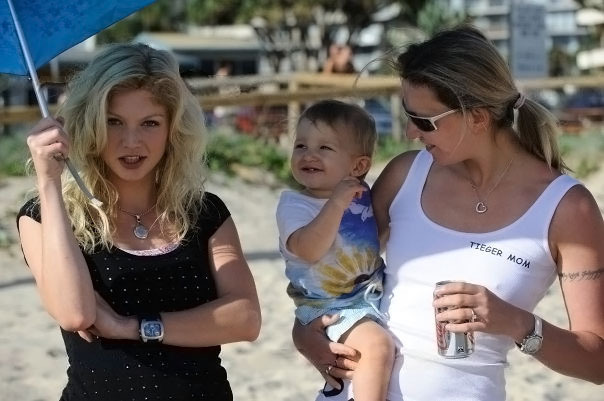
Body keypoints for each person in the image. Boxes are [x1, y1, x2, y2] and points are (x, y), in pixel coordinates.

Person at [293, 26, 604, 400]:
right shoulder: (405, 175)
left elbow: (598, 362)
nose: (410, 132)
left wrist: (518, 323)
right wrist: (304, 333)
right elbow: (325, 273)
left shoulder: (567, 207)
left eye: (424, 121)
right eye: (408, 115)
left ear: (478, 117)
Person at [16, 43, 261, 401]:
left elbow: (246, 318)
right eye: (113, 121)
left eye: (150, 123)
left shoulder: (204, 213)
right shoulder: (45, 216)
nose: (131, 141)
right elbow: (74, 313)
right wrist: (49, 181)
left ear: (173, 129)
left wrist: (131, 327)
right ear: (90, 123)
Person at [277, 100, 395, 401]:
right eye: (301, 145)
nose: (309, 155)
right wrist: (336, 204)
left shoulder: (362, 197)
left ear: (358, 167)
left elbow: (370, 243)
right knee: (377, 346)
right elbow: (307, 250)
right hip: (327, 307)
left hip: (367, 296)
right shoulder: (295, 205)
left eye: (324, 148)